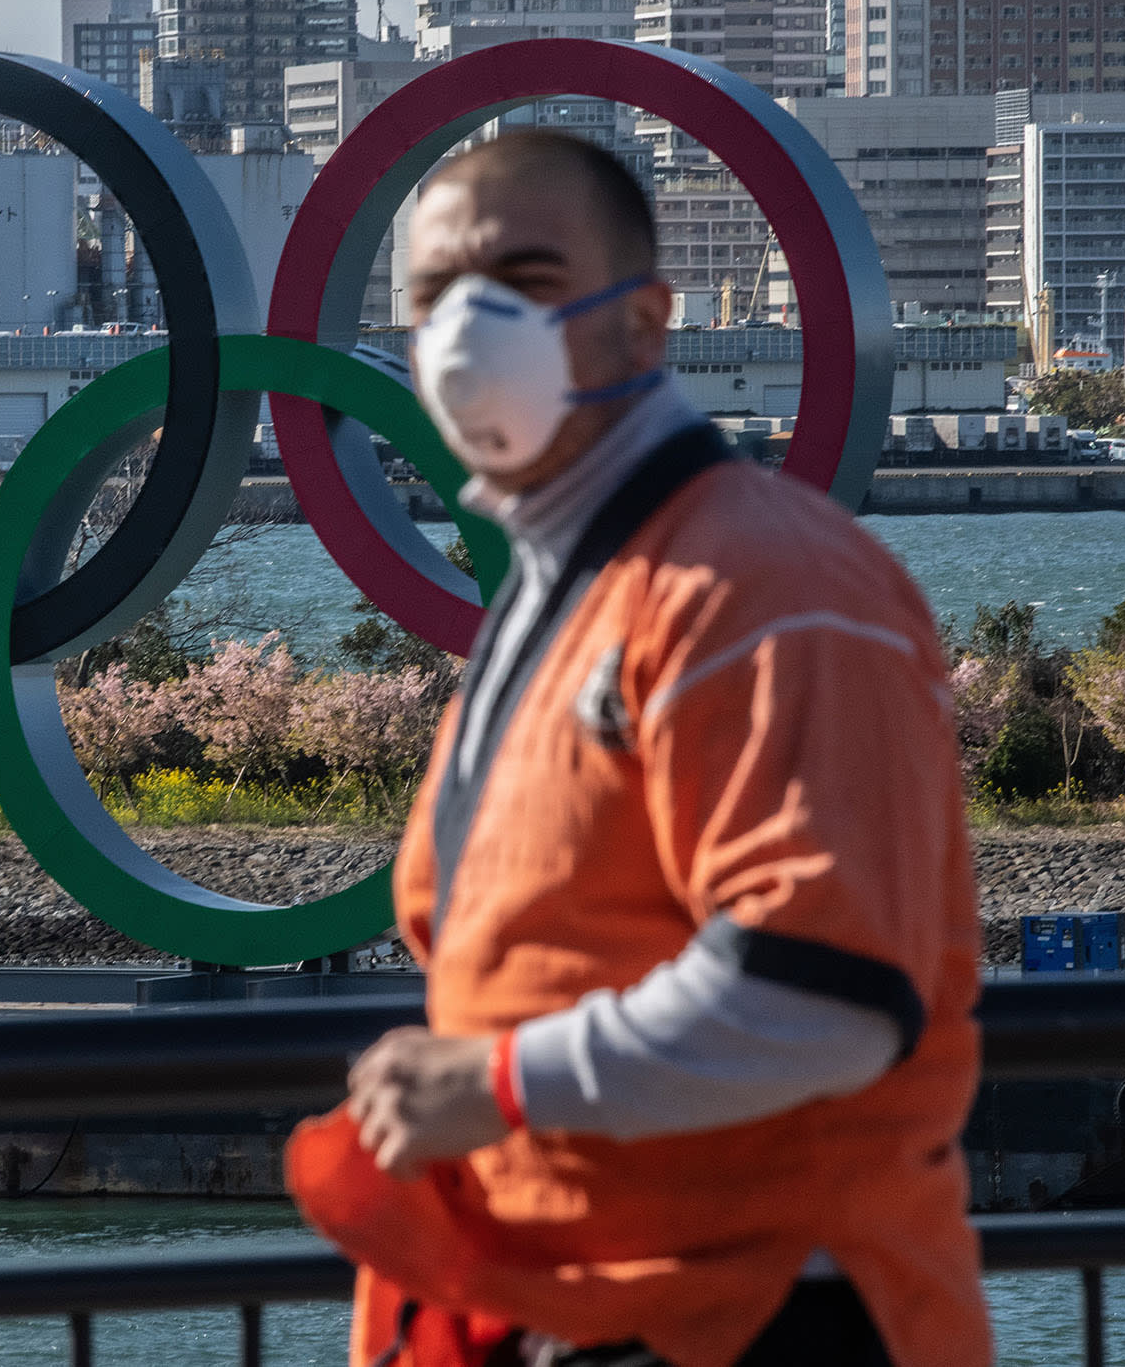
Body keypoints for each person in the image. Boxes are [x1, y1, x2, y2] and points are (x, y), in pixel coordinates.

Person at [286, 130, 986, 1367]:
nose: (469, 326)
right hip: (588, 1301)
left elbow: (821, 993)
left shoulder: (762, 582)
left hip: (763, 1309)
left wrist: (495, 1085)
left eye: (529, 278)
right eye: (433, 296)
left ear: (647, 321)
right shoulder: (571, 589)